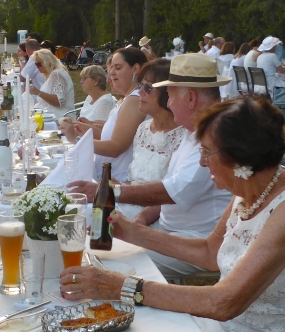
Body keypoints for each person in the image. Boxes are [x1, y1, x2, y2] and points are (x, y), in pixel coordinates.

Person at [60, 96, 285, 332]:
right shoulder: (253, 185)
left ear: (240, 159)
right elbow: (209, 254)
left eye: (207, 152)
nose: (202, 162)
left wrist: (122, 288)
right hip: (229, 327)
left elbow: (224, 303)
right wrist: (130, 231)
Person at [69, 53, 232, 279]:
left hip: (196, 242)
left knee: (106, 263)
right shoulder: (193, 130)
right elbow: (169, 190)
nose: (169, 103)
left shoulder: (214, 136)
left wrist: (109, 191)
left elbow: (173, 192)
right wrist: (142, 219)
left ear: (191, 98)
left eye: (171, 96)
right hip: (168, 230)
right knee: (93, 243)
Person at [117, 59, 185, 219]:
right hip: (124, 203)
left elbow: (172, 195)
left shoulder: (183, 136)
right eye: (140, 86)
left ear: (167, 93)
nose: (139, 92)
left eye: (148, 88)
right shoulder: (143, 129)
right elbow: (133, 180)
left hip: (153, 217)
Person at [73, 47, 148, 183]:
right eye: (111, 68)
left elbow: (116, 147)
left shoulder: (135, 99)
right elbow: (108, 135)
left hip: (118, 180)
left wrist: (79, 142)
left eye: (118, 68)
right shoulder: (126, 98)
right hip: (108, 175)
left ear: (135, 69)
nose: (111, 73)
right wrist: (82, 129)